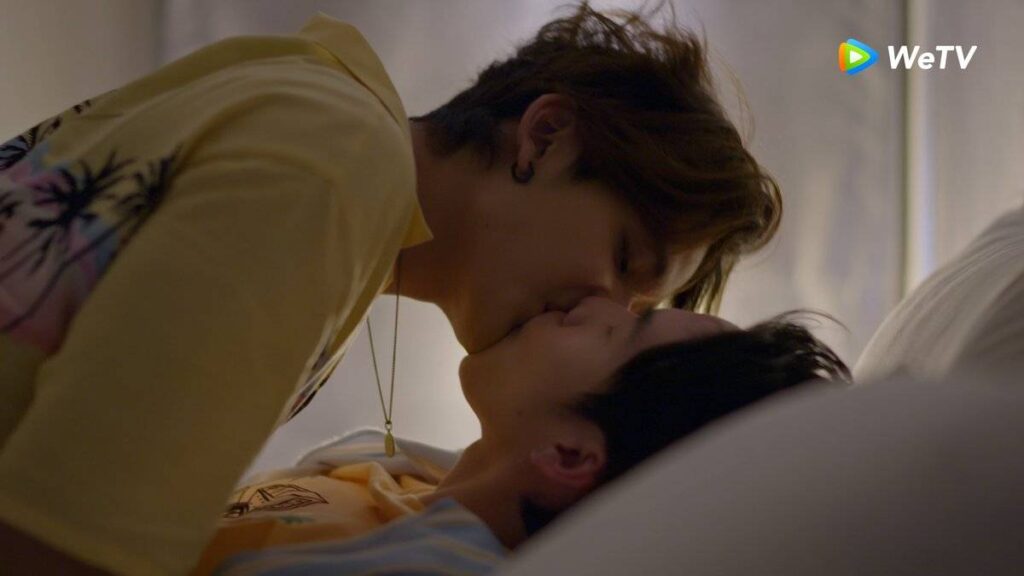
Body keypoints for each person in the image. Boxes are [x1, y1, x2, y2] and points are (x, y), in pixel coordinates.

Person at [0, 4, 781, 575]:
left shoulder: (320, 119)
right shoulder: (335, 171)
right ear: (544, 139)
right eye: (623, 257)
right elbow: (58, 547)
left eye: (639, 312)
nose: (602, 306)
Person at [194, 297, 848, 575]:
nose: (596, 298)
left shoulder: (432, 566)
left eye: (620, 329)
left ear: (569, 455)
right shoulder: (397, 471)